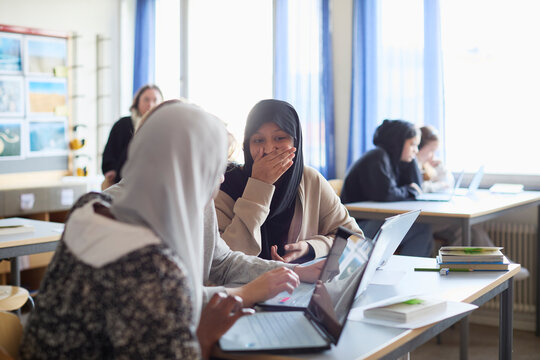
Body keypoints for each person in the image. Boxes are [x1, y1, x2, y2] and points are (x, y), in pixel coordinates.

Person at [21, 101, 252, 359]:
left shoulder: (87, 208)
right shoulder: (156, 269)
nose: (220, 182)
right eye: (217, 172)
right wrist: (205, 336)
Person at [104, 99, 324, 307]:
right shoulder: (111, 212)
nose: (221, 179)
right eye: (211, 167)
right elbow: (165, 301)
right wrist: (247, 293)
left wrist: (294, 271)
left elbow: (224, 262)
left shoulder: (195, 201)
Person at [215, 99, 363, 263]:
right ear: (247, 145)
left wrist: (311, 248)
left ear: (296, 142)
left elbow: (354, 238)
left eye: (280, 138)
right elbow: (222, 260)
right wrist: (259, 187)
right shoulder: (223, 184)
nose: (270, 149)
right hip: (242, 287)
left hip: (298, 283)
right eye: (258, 140)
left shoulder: (308, 179)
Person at [417, 125, 530, 279]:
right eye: (430, 151)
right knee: (467, 227)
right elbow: (419, 188)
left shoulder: (429, 165)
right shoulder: (412, 164)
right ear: (418, 147)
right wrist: (436, 182)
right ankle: (496, 265)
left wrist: (440, 169)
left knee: (470, 229)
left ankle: (487, 266)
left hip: (435, 217)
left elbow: (447, 183)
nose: (432, 156)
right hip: (423, 220)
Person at [340, 119, 433, 257]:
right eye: (412, 144)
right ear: (398, 142)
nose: (416, 150)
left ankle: (405, 271)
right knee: (421, 229)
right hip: (356, 227)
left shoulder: (394, 159)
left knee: (421, 227)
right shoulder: (377, 156)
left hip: (371, 221)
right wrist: (409, 190)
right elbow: (386, 194)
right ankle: (407, 272)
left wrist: (411, 159)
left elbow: (416, 187)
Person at [101, 84, 163, 188]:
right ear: (137, 102)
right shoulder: (123, 124)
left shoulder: (163, 127)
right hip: (122, 181)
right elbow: (110, 152)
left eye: (155, 100)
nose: (150, 104)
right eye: (146, 100)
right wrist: (110, 171)